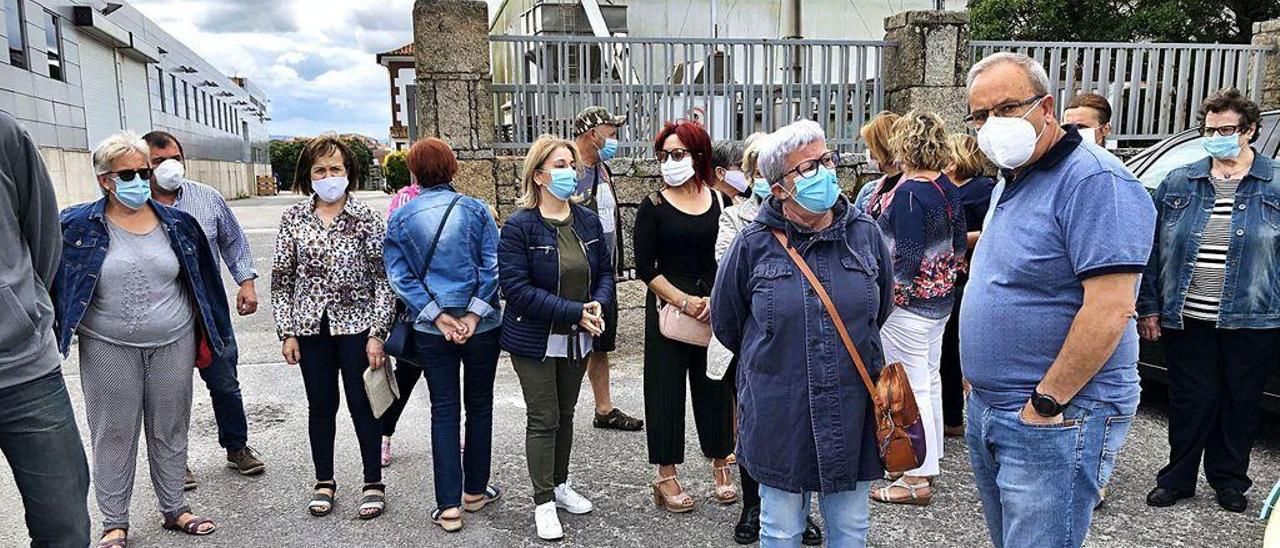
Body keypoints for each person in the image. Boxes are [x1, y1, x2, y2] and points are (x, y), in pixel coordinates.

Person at [961, 52, 1156, 547]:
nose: (991, 125)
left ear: (1046, 107)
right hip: (997, 405)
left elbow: (1111, 308)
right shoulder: (1015, 173)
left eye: (1006, 108)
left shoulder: (1094, 181)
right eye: (980, 116)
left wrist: (1046, 402)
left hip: (1056, 414)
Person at [712, 119, 892, 548]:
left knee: (850, 529)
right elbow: (727, 322)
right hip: (781, 410)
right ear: (778, 188)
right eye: (807, 168)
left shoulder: (864, 235)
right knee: (780, 528)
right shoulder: (752, 245)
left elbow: (879, 310)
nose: (825, 172)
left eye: (826, 160)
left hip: (852, 406)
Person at [56, 131, 234, 544]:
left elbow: (204, 283)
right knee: (114, 432)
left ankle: (175, 508)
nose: (139, 180)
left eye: (144, 170)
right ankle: (114, 521)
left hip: (174, 340)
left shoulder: (178, 223)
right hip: (107, 345)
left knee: (170, 426)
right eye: (128, 173)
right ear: (105, 180)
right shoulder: (75, 225)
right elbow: (52, 280)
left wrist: (215, 333)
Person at [1138, 89, 1280, 514]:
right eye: (1210, 129)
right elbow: (1151, 249)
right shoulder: (1180, 181)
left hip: (1252, 317)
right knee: (1188, 402)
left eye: (1226, 130)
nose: (1216, 136)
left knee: (1239, 402)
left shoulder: (1275, 183)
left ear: (1250, 130)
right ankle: (1177, 478)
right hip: (1189, 314)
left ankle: (1229, 480)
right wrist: (1149, 306)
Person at [382, 137, 503, 532]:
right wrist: (471, 314)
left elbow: (399, 276)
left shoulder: (402, 217)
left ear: (413, 172)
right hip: (481, 325)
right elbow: (493, 266)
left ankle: (448, 506)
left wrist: (436, 315)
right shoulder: (476, 210)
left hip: (431, 329)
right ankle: (475, 491)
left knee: (444, 410)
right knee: (480, 404)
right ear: (453, 168)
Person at [498, 135, 616, 541]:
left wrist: (597, 304)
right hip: (535, 339)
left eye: (572, 164)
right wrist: (575, 313)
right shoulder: (519, 227)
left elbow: (604, 273)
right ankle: (543, 500)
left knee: (566, 414)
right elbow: (516, 290)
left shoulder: (587, 221)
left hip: (577, 336)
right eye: (561, 165)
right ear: (539, 175)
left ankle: (560, 483)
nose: (571, 172)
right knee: (543, 416)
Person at [271, 134, 394, 520]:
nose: (328, 176)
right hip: (311, 329)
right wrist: (286, 331)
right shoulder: (293, 219)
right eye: (320, 170)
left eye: (335, 169)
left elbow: (384, 280)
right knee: (321, 406)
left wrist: (378, 333)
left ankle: (373, 482)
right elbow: (282, 280)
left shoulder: (368, 219)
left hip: (357, 326)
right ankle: (324, 481)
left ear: (348, 172)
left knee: (363, 405)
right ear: (309, 175)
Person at [711, 132, 823, 547]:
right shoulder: (736, 219)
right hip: (754, 344)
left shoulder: (816, 219)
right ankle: (753, 504)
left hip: (806, 343)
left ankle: (803, 511)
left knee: (808, 426)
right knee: (755, 424)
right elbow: (728, 286)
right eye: (753, 170)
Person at [142, 131, 265, 487]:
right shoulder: (134, 204)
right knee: (168, 390)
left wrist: (246, 282)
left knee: (225, 380)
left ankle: (237, 447)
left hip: (208, 306)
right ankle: (174, 462)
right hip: (161, 308)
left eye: (175, 158)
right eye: (158, 161)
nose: (170, 167)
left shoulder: (206, 198)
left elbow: (233, 241)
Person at [634, 119, 737, 513]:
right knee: (665, 389)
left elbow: (730, 255)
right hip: (669, 306)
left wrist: (714, 297)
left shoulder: (721, 201)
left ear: (698, 155)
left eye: (678, 154)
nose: (670, 162)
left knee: (716, 384)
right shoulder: (653, 206)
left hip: (714, 303)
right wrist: (684, 301)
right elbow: (646, 269)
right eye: (664, 155)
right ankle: (666, 475)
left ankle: (721, 462)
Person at [0, 111, 92, 547]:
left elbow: (43, 236)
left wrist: (19, 310)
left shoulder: (4, 134)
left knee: (66, 525)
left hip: (22, 370)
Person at [868, 111, 967, 507]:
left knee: (909, 388)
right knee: (929, 379)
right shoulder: (947, 187)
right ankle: (929, 458)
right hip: (941, 301)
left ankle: (915, 475)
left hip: (908, 307)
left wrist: (887, 299)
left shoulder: (908, 193)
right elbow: (959, 247)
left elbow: (905, 259)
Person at [571, 106, 644, 433]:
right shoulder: (566, 168)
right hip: (576, 273)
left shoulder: (602, 169)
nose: (615, 140)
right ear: (592, 133)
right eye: (611, 133)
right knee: (571, 342)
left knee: (600, 343)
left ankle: (604, 408)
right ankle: (561, 410)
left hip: (604, 273)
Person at [938, 134, 995, 438]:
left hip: (967, 274)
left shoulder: (982, 189)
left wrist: (955, 241)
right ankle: (950, 415)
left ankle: (954, 418)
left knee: (952, 349)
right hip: (947, 274)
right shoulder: (947, 189)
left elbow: (991, 230)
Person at [855, 111, 903, 215]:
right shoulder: (869, 190)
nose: (869, 152)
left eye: (870, 146)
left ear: (881, 147)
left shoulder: (909, 191)